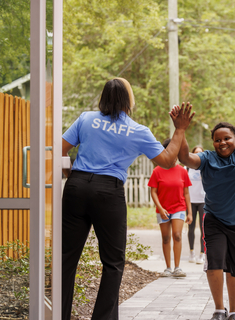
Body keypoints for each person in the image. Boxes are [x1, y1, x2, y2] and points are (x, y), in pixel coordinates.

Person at [61, 77, 194, 320]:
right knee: (113, 263)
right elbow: (167, 161)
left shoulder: (85, 119)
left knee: (66, 258)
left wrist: (72, 176)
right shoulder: (137, 130)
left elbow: (60, 149)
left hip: (76, 187)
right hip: (107, 193)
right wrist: (180, 129)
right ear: (128, 100)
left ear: (103, 97)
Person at [178, 77, 235, 320]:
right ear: (213, 142)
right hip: (215, 220)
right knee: (215, 262)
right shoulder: (207, 159)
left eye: (227, 138)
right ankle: (220, 309)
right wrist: (181, 130)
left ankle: (234, 312)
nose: (222, 142)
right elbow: (186, 159)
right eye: (217, 139)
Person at [148, 138, 193, 278]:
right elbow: (153, 192)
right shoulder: (157, 171)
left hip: (179, 207)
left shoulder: (182, 171)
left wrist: (189, 212)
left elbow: (186, 193)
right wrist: (160, 208)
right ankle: (168, 268)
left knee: (177, 236)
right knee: (166, 237)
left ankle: (177, 268)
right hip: (163, 209)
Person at [187, 145, 206, 264]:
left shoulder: (205, 167)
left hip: (203, 201)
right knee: (191, 228)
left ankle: (202, 254)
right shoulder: (187, 168)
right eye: (196, 153)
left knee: (204, 229)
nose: (198, 155)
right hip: (190, 201)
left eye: (200, 153)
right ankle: (191, 252)